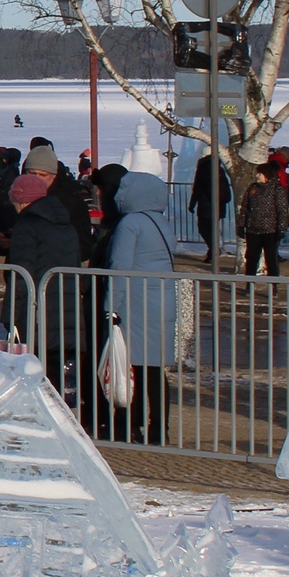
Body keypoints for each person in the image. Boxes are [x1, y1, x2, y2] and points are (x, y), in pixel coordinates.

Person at [102, 170, 178, 446]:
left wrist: (112, 306)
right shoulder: (161, 221)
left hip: (136, 302)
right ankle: (160, 429)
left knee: (129, 368)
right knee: (155, 371)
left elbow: (120, 267)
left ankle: (128, 427)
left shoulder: (130, 223)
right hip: (162, 300)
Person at [8, 161, 95, 401]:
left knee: (33, 376)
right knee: (56, 375)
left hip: (37, 311)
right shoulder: (64, 224)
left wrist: (11, 316)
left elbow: (21, 271)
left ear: (22, 201)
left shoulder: (28, 225)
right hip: (64, 308)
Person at [238, 161, 289, 278]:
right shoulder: (253, 188)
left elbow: (282, 211)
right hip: (253, 230)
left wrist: (281, 229)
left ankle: (274, 285)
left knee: (271, 260)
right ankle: (249, 284)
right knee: (251, 259)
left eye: (260, 174)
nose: (257, 176)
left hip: (270, 231)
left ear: (267, 175)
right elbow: (245, 208)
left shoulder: (277, 189)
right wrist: (241, 225)